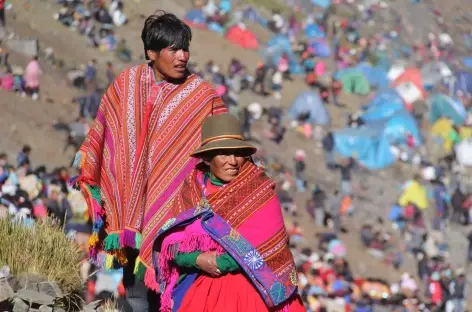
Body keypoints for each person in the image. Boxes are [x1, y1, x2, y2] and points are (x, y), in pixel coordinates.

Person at [72, 12, 227, 312]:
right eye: (174, 49)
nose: (182, 56)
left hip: (174, 214)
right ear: (152, 53)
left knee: (166, 295)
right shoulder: (126, 84)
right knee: (134, 293)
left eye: (185, 48)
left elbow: (224, 140)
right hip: (128, 212)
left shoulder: (200, 96)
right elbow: (104, 132)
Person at [152, 114, 304, 312]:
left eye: (238, 153)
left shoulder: (259, 192)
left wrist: (219, 262)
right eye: (224, 153)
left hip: (249, 286)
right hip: (197, 280)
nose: (233, 161)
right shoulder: (192, 190)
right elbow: (172, 246)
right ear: (207, 158)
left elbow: (267, 248)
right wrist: (198, 259)